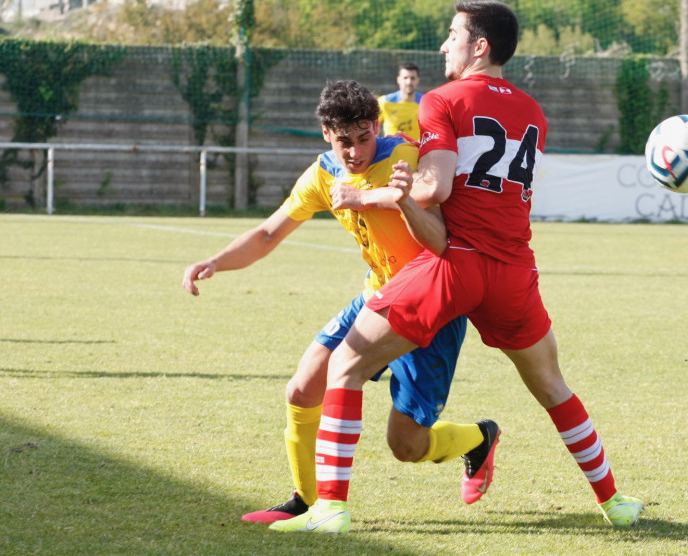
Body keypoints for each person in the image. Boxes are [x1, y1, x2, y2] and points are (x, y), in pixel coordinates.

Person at [271, 0, 644, 534]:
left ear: (480, 46)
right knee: (553, 388)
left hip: (456, 264)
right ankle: (615, 503)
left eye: (452, 35)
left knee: (346, 366)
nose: (445, 46)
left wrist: (392, 192)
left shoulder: (441, 99)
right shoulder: (534, 111)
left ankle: (329, 508)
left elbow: (435, 189)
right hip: (514, 270)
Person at [182, 80, 499, 529]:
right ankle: (307, 502)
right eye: (343, 141)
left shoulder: (404, 160)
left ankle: (478, 438)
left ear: (376, 126)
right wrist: (216, 261)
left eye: (363, 138)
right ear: (327, 135)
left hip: (431, 306)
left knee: (406, 445)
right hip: (375, 296)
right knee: (302, 388)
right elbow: (270, 233)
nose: (354, 151)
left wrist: (398, 197)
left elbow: (442, 239)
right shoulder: (324, 172)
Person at [377, 62, 423, 140]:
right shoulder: (384, 102)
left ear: (418, 80)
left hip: (416, 150)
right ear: (398, 80)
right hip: (391, 150)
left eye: (412, 78)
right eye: (405, 78)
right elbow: (371, 127)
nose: (409, 82)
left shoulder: (425, 103)